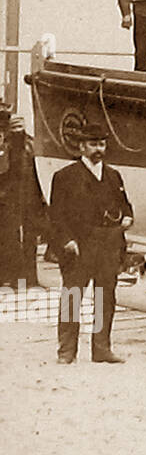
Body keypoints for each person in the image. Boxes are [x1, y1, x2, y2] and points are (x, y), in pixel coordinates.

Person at [49, 123, 134, 364]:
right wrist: (66, 240)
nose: (99, 149)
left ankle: (102, 349)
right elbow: (55, 216)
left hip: (108, 245)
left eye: (102, 144)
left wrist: (128, 217)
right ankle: (66, 351)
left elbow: (125, 204)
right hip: (78, 247)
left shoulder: (113, 176)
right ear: (81, 147)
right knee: (72, 296)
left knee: (105, 297)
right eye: (93, 144)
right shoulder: (64, 177)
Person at [0, 108, 47, 289]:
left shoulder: (27, 143)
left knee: (26, 240)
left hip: (25, 199)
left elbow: (31, 171)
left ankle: (25, 279)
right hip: (9, 199)